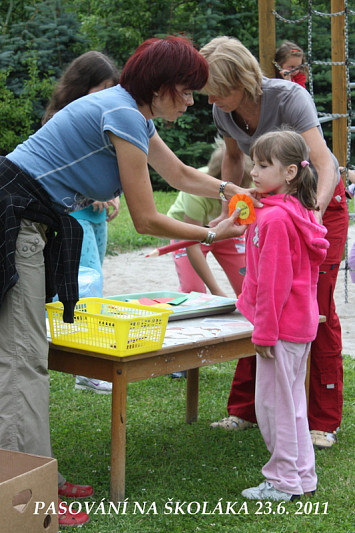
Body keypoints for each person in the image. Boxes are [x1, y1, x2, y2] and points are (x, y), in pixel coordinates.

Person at [0, 36, 258, 527]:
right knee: (21, 361)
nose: (192, 101)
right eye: (186, 91)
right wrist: (212, 231)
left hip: (28, 218)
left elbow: (179, 173)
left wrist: (234, 189)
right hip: (13, 218)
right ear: (160, 87)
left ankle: (37, 477)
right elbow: (145, 218)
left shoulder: (131, 113)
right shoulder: (121, 114)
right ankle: (29, 495)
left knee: (24, 356)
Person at [200, 36, 348, 449]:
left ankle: (322, 419)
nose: (212, 97)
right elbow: (232, 160)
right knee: (259, 294)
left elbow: (322, 162)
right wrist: (236, 206)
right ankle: (245, 409)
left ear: (242, 77)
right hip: (274, 210)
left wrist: (312, 215)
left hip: (319, 203)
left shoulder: (289, 97)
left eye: (219, 88)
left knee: (313, 304)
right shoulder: (221, 110)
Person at [238, 129, 328, 501]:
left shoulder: (275, 221)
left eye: (263, 165)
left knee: (274, 408)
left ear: (290, 172)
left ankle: (282, 481)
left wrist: (263, 334)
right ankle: (302, 477)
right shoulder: (293, 211)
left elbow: (274, 283)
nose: (254, 172)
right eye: (253, 164)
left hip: (279, 330)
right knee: (291, 406)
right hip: (297, 326)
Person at [43, 51, 121, 396]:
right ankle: (86, 368)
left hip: (96, 215)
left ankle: (87, 364)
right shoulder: (61, 119)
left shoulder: (103, 118)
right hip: (72, 216)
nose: (107, 95)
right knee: (85, 288)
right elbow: (61, 174)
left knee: (94, 282)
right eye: (102, 88)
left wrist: (112, 194)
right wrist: (93, 192)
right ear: (82, 86)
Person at [167, 138, 252, 298]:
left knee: (247, 289)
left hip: (227, 230)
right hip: (189, 231)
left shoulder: (247, 180)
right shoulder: (195, 191)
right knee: (194, 293)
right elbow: (192, 243)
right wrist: (216, 291)